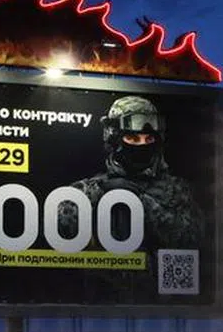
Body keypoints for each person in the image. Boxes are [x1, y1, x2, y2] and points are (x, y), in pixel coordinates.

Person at [58, 95, 204, 252]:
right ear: (114, 139)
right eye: (133, 138)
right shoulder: (86, 191)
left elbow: (192, 239)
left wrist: (141, 201)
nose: (142, 145)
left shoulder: (177, 190)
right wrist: (100, 196)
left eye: (148, 139)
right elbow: (60, 231)